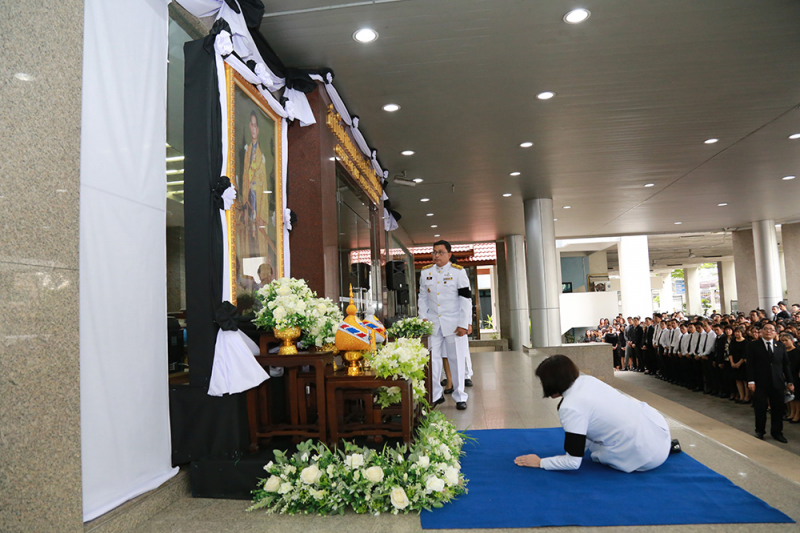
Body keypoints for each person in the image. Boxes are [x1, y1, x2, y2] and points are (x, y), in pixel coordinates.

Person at [514, 355, 678, 472]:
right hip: (660, 436)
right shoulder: (588, 380)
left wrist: (540, 462)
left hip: (645, 457)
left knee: (596, 452)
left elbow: (573, 462)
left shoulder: (570, 407)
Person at [418, 240, 472, 410]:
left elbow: (465, 299)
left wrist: (464, 323)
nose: (436, 255)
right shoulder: (426, 272)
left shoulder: (458, 272)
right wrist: (422, 317)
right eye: (434, 252)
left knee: (456, 359)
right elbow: (422, 297)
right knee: (432, 361)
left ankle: (460, 396)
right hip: (433, 324)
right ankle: (435, 395)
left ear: (449, 254)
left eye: (440, 252)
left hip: (454, 324)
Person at [746, 323, 795, 442]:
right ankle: (760, 431)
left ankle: (777, 432)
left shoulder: (780, 346)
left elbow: (786, 365)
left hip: (777, 382)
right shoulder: (753, 345)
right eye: (766, 329)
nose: (769, 331)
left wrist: (790, 381)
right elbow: (750, 365)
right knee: (760, 408)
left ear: (775, 333)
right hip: (760, 382)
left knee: (778, 408)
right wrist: (751, 381)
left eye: (771, 330)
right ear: (762, 332)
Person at [779, 333, 800, 424]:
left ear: (792, 341)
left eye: (786, 340)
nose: (784, 342)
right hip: (786, 375)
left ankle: (797, 414)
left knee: (796, 397)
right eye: (782, 341)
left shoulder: (797, 351)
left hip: (796, 375)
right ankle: (791, 412)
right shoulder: (783, 351)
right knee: (789, 396)